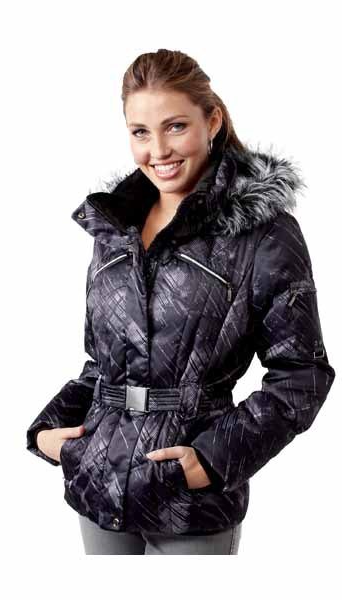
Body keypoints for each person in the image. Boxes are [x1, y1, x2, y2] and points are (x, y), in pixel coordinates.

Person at [25, 49, 336, 555]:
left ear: (212, 121)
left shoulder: (263, 234)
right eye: (140, 132)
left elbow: (302, 375)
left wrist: (209, 461)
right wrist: (48, 430)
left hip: (190, 503)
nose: (158, 150)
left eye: (175, 126)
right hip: (98, 486)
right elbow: (102, 365)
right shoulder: (115, 228)